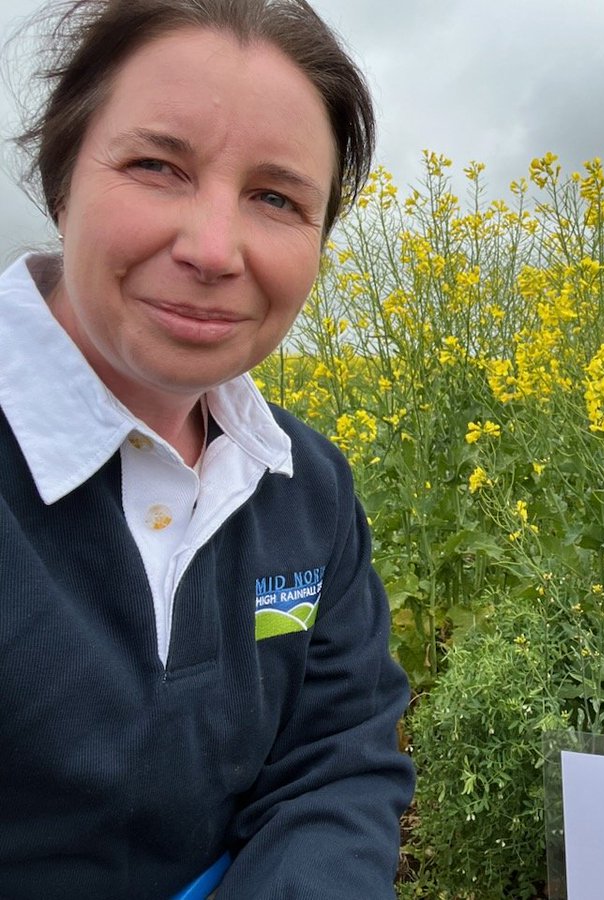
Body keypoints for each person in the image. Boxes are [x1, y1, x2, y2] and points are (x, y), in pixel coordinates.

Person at [0, 1, 414, 897]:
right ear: (61, 174)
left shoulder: (307, 489)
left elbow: (337, 763)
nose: (214, 248)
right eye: (157, 166)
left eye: (275, 197)